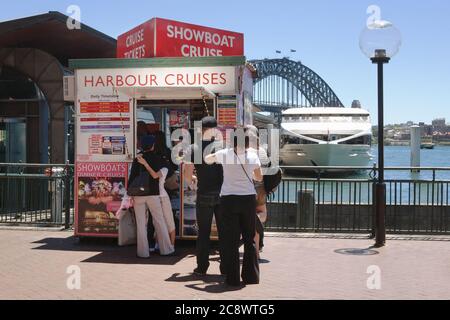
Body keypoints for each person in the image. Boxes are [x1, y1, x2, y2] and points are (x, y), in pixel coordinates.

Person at [205, 129, 263, 286]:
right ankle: (251, 277)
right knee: (249, 237)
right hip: (248, 199)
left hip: (228, 199)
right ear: (246, 142)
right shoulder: (252, 155)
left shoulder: (225, 153)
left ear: (232, 141)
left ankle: (233, 278)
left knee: (231, 240)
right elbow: (259, 177)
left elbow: (207, 159)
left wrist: (221, 149)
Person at [183, 116, 225, 276]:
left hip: (204, 194)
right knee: (224, 232)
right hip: (222, 194)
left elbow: (187, 173)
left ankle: (202, 267)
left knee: (203, 233)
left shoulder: (194, 148)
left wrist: (193, 180)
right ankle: (226, 267)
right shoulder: (223, 146)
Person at [128, 135, 175, 258]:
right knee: (159, 221)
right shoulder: (158, 158)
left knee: (141, 223)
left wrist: (130, 193)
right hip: (153, 193)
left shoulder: (137, 158)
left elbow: (132, 176)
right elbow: (164, 173)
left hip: (138, 194)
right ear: (153, 145)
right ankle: (166, 249)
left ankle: (142, 252)